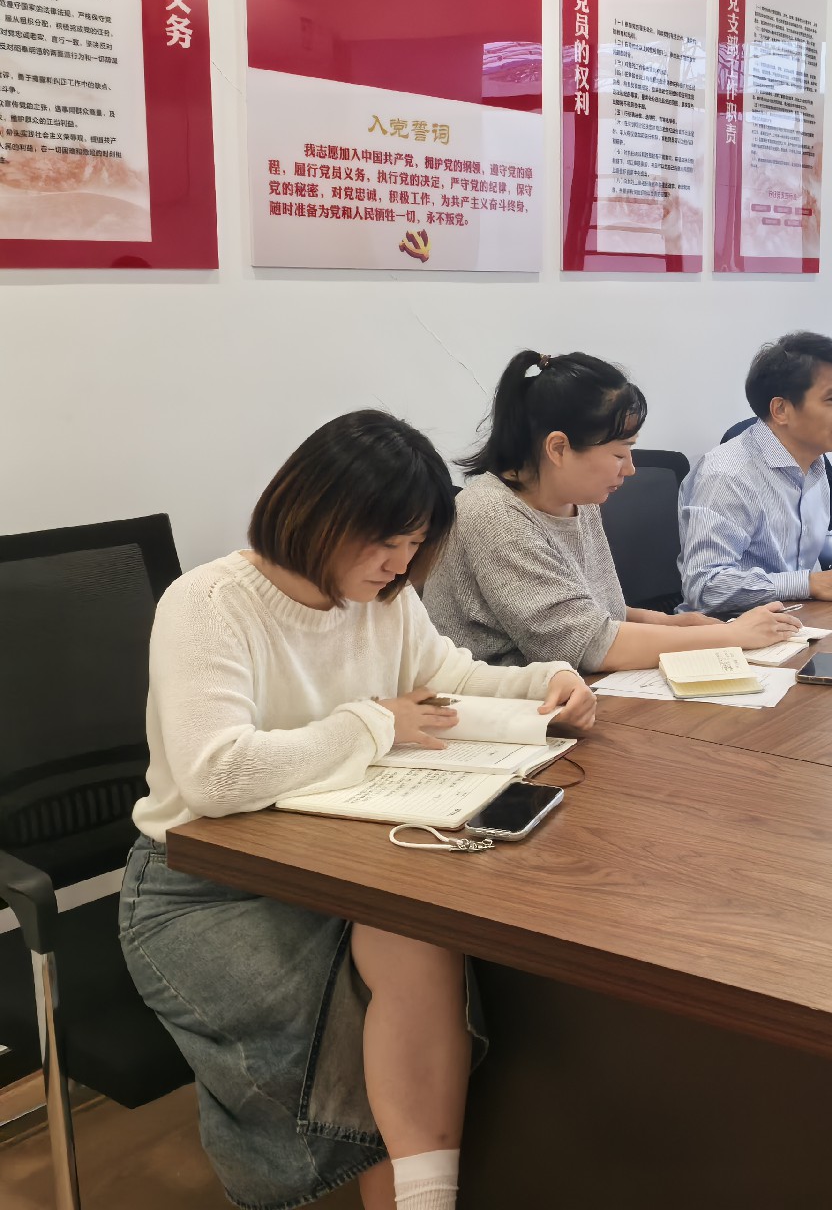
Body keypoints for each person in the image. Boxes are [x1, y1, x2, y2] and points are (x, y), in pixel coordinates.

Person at [119, 410, 598, 1210]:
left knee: (416, 933)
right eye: (385, 542)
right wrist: (374, 723)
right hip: (202, 886)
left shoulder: (384, 597)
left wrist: (546, 684)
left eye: (415, 544)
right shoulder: (208, 603)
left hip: (333, 858)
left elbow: (449, 681)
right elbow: (215, 776)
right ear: (314, 512)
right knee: (367, 1007)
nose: (400, 564)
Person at [425, 350, 801, 669]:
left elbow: (596, 612)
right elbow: (585, 645)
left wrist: (673, 624)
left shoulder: (578, 498)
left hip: (571, 688)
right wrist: (731, 635)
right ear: (558, 449)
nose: (631, 469)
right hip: (499, 704)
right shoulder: (493, 514)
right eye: (620, 453)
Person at [677, 332, 832, 615]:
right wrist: (809, 583)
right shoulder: (727, 475)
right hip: (729, 629)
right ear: (781, 409)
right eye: (831, 399)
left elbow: (802, 537)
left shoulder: (814, 462)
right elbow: (705, 587)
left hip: (799, 618)